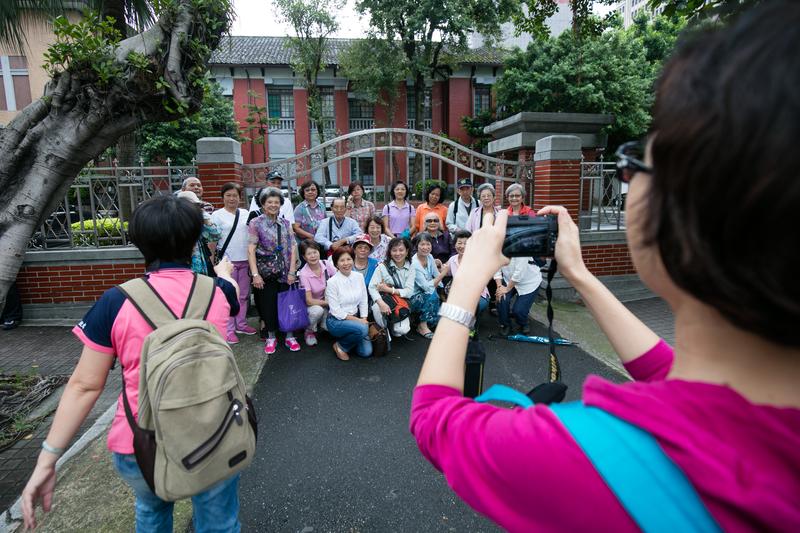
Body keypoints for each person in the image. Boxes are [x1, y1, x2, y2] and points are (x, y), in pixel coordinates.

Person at [410, 4, 800, 530]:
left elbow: (434, 420)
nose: (630, 178)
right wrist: (582, 275)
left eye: (639, 159)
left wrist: (470, 275)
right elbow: (668, 373)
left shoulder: (592, 456)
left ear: (686, 204)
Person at [21, 195, 242, 532]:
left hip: (140, 443)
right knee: (220, 524)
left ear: (138, 241)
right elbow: (231, 294)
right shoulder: (219, 291)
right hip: (214, 432)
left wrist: (48, 458)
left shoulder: (115, 301)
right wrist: (223, 272)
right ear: (195, 238)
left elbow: (84, 385)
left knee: (152, 516)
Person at [248, 187, 300, 355]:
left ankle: (290, 336)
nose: (273, 205)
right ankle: (271, 336)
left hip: (285, 272)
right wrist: (255, 274)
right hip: (266, 273)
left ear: (280, 205)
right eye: (269, 202)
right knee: (268, 305)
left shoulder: (285, 223)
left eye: (276, 202)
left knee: (288, 303)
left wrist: (292, 271)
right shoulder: (256, 223)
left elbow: (293, 247)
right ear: (263, 204)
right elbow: (251, 249)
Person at [211, 182, 258, 343]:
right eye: (228, 195)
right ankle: (229, 329)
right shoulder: (217, 215)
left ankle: (241, 323)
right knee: (227, 296)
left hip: (245, 260)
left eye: (235, 195)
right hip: (226, 263)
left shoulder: (245, 213)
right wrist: (212, 261)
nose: (232, 198)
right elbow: (212, 240)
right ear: (223, 197)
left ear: (240, 198)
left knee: (243, 295)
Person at [325, 246, 372, 361]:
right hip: (336, 321)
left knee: (366, 352)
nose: (346, 263)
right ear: (336, 264)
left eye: (348, 259)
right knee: (362, 329)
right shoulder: (332, 282)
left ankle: (352, 336)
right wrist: (360, 322)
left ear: (353, 259)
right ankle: (340, 346)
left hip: (356, 318)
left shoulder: (359, 277)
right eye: (342, 260)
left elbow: (363, 300)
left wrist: (364, 318)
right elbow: (336, 311)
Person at [368, 237, 416, 332]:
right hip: (383, 299)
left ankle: (392, 327)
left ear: (407, 252)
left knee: (401, 330)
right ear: (390, 252)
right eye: (394, 250)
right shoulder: (382, 266)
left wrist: (389, 290)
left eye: (401, 250)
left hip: (399, 301)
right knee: (383, 323)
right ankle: (384, 329)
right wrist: (381, 303)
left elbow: (409, 291)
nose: (398, 253)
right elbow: (372, 288)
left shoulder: (411, 266)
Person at [297, 240, 336, 347]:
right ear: (304, 257)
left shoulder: (326, 264)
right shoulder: (304, 274)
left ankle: (324, 321)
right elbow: (309, 301)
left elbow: (338, 280)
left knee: (330, 329)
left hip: (326, 301)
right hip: (311, 306)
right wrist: (329, 303)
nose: (313, 256)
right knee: (317, 311)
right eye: (309, 254)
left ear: (319, 252)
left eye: (315, 252)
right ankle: (309, 331)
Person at [411, 233, 449, 339]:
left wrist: (440, 273)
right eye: (422, 244)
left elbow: (436, 275)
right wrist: (443, 273)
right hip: (413, 296)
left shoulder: (429, 256)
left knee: (437, 296)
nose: (425, 247)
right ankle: (422, 326)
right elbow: (426, 287)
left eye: (428, 244)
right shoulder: (414, 263)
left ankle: (427, 321)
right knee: (432, 295)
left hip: (428, 291)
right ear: (416, 246)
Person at [493, 256, 542, 336]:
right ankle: (506, 324)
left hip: (529, 282)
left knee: (519, 311)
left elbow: (518, 274)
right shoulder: (496, 248)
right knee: (501, 299)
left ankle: (524, 322)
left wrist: (507, 289)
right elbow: (496, 268)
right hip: (508, 280)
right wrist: (499, 288)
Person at [446, 230, 489, 318]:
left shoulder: (478, 260)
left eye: (466, 243)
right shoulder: (452, 260)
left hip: (478, 294)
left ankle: (473, 324)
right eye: (459, 243)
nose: (462, 246)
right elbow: (445, 272)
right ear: (455, 245)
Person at [177, 191, 220, 276]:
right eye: (193, 206)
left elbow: (216, 235)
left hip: (202, 270)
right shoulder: (174, 223)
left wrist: (204, 216)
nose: (195, 208)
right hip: (183, 271)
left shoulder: (198, 222)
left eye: (197, 206)